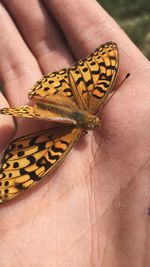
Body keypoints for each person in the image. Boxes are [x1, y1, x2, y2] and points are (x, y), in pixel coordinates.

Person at [0, 0, 150, 266]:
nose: (93, 124)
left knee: (47, 162)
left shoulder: (83, 117)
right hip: (60, 100)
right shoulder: (81, 125)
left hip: (61, 93)